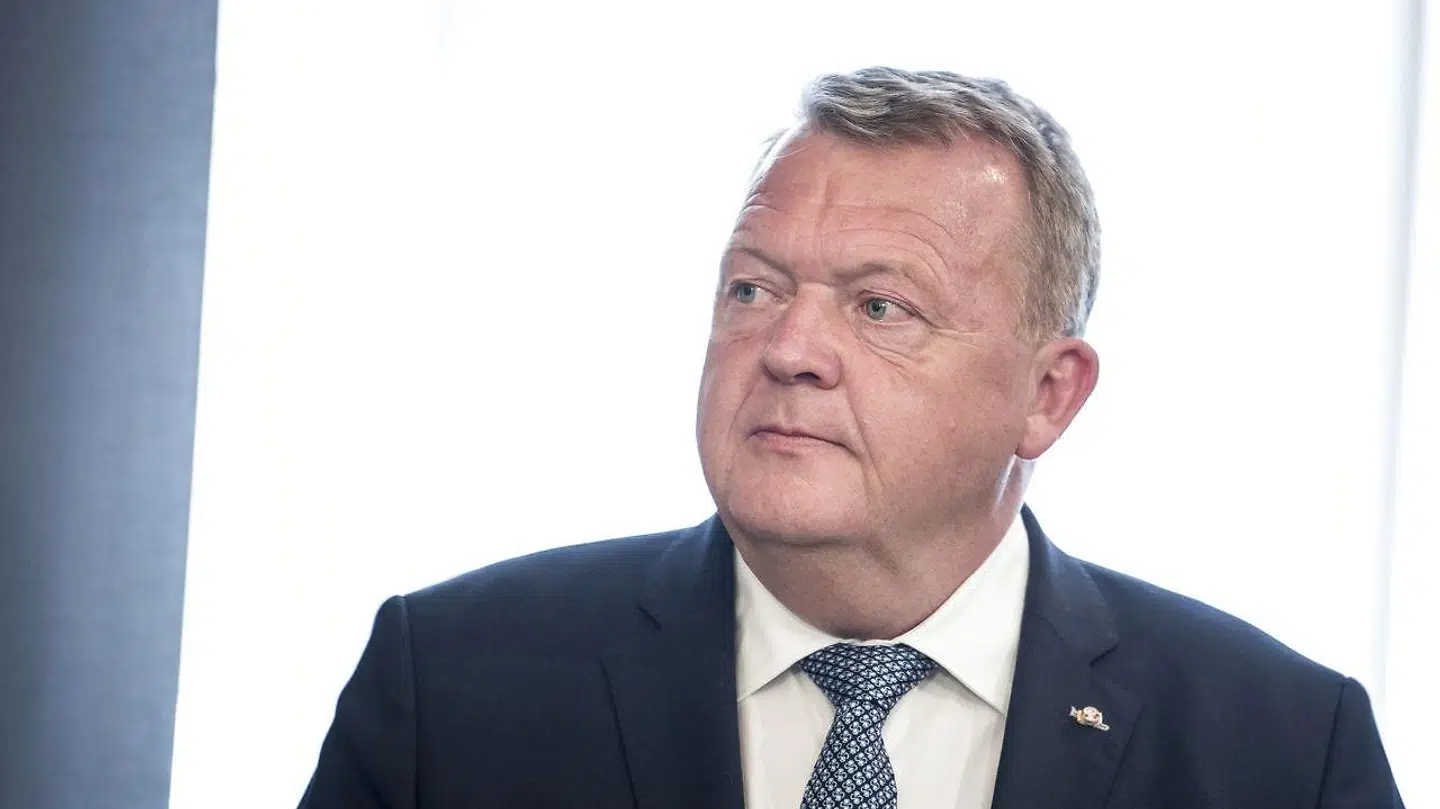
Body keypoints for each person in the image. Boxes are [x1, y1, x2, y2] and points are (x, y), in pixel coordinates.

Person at [297, 67, 1404, 809]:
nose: (789, 348)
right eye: (753, 288)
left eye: (881, 306)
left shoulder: (1283, 749)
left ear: (1048, 395)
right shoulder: (451, 683)